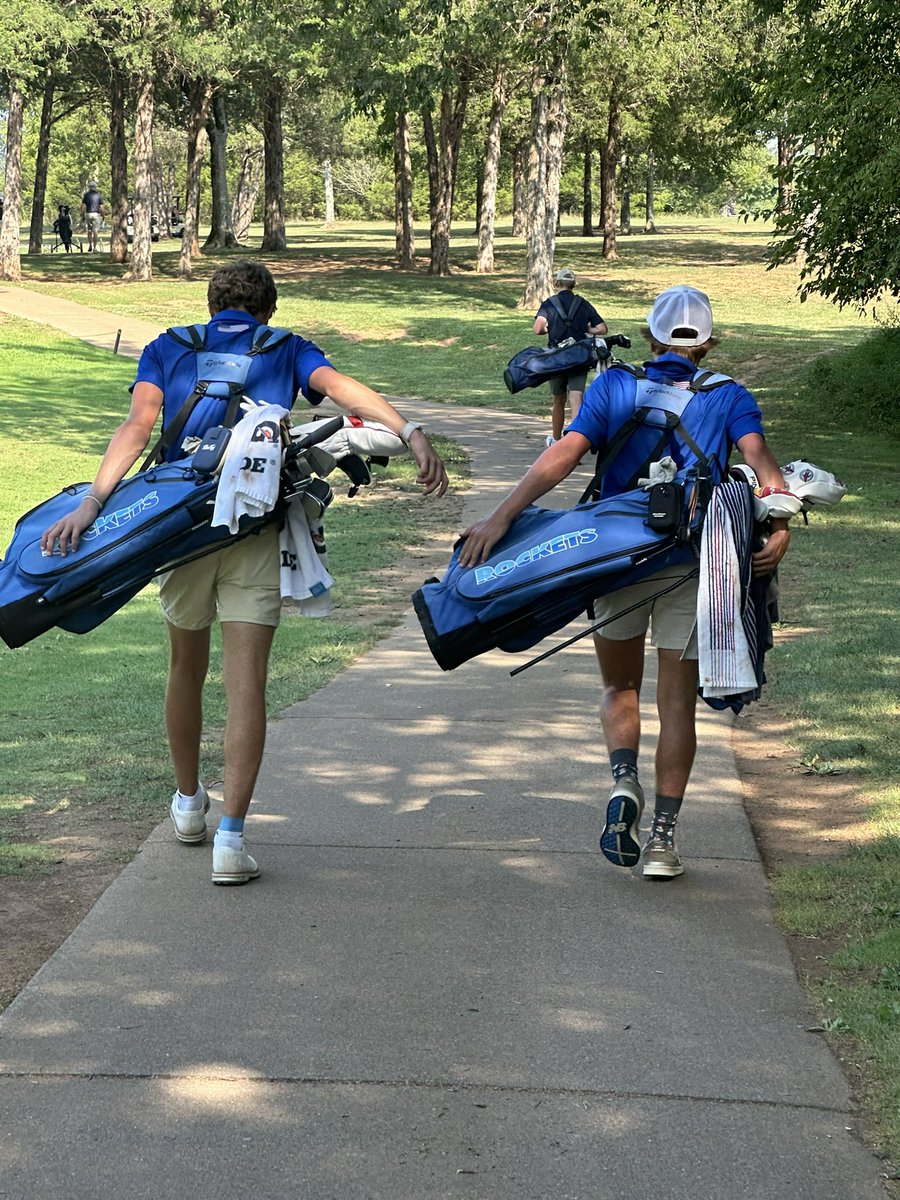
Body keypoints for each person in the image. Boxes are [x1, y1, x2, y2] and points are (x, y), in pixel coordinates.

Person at [41, 259, 449, 886]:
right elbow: (343, 390)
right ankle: (230, 840)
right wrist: (411, 432)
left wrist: (94, 501)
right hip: (255, 530)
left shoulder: (168, 347)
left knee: (185, 666)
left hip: (180, 533)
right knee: (246, 685)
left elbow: (138, 425)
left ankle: (186, 805)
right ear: (268, 309)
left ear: (212, 306)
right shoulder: (284, 348)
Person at [459, 284, 790, 881]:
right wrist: (782, 524)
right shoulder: (730, 396)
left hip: (614, 559)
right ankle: (662, 841)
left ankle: (623, 781)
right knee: (677, 705)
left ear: (650, 337)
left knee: (619, 687)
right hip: (692, 566)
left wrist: (503, 513)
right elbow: (764, 469)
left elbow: (566, 454)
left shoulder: (614, 386)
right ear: (709, 342)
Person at [533, 267, 608, 448]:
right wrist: (587, 329)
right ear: (574, 284)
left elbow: (537, 329)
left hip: (557, 358)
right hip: (579, 357)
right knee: (577, 399)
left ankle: (556, 441)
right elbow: (602, 329)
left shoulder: (549, 304)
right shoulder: (583, 303)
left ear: (557, 283)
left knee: (558, 399)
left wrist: (549, 329)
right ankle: (574, 444)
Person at [80, 182, 104, 251]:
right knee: (95, 231)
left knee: (89, 231)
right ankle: (95, 247)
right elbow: (101, 207)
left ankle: (90, 246)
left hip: (88, 213)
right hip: (96, 214)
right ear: (95, 187)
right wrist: (103, 215)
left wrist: (82, 215)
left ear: (89, 187)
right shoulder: (99, 195)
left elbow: (84, 206)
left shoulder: (86, 195)